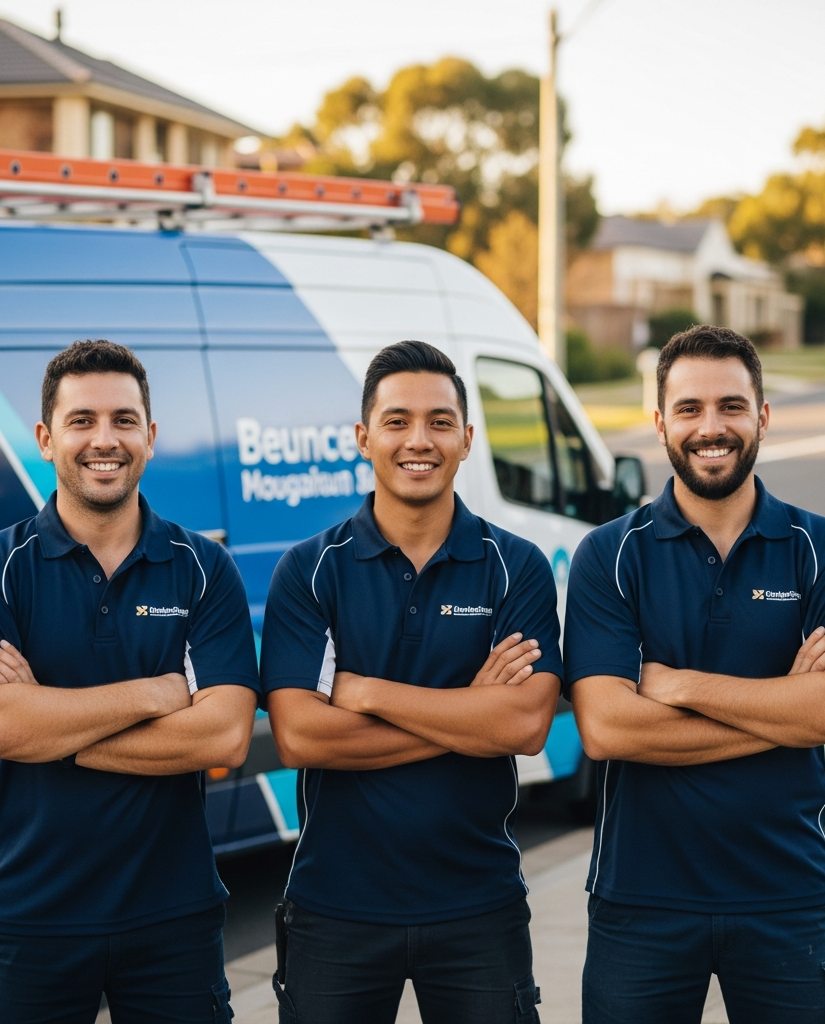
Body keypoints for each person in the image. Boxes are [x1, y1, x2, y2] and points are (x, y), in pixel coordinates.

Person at [564, 325, 825, 1023]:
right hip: (640, 901)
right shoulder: (608, 556)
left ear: (763, 417)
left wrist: (676, 685)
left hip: (785, 896)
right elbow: (608, 727)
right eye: (690, 409)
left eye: (732, 406)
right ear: (659, 424)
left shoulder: (821, 549)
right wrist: (788, 707)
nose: (712, 427)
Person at [0, 340, 259, 1024]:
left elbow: (227, 735)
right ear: (45, 438)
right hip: (30, 917)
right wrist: (158, 692)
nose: (104, 440)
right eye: (82, 420)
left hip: (173, 918)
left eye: (123, 419)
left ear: (150, 435)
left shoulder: (204, 568)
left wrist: (45, 723)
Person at [260, 340, 562, 1024]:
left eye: (439, 421)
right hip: (334, 910)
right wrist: (468, 715)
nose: (417, 440)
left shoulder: (516, 567)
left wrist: (365, 693)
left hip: (478, 907)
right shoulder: (310, 570)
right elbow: (300, 736)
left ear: (467, 439)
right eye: (396, 421)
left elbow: (523, 726)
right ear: (363, 437)